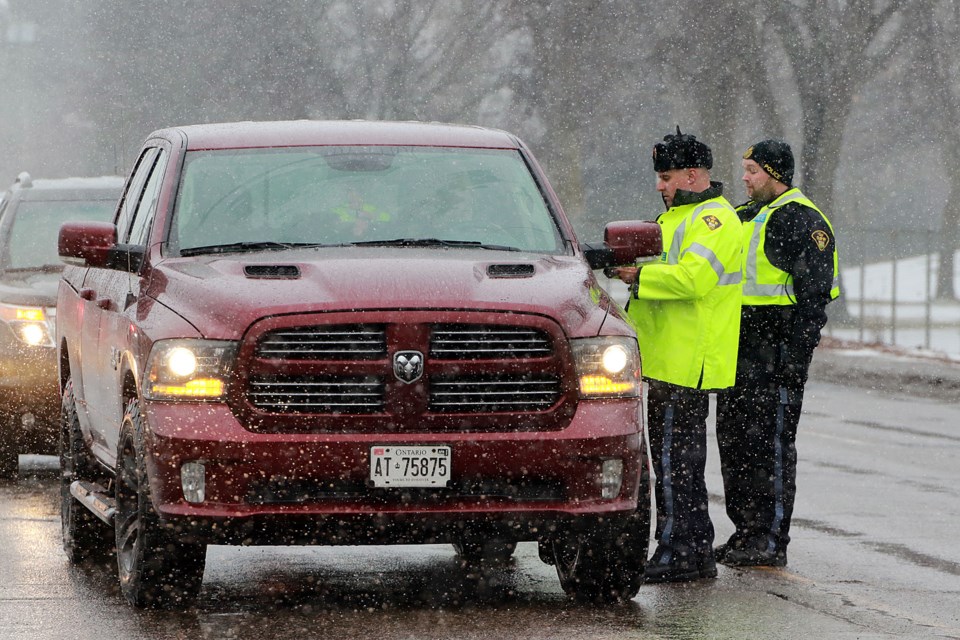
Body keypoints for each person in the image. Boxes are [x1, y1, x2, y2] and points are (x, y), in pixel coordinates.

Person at [614, 128, 743, 584]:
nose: (659, 185)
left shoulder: (714, 219)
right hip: (668, 360)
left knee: (676, 463)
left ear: (693, 174)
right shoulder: (674, 218)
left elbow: (693, 280)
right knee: (674, 462)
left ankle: (679, 550)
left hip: (688, 362)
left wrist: (637, 277)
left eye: (666, 176)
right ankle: (692, 548)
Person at [714, 139, 840, 567]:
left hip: (776, 354)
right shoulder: (743, 215)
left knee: (770, 448)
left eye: (752, 170)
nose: (745, 178)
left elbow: (813, 301)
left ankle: (770, 540)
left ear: (776, 174)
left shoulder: (806, 222)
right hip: (737, 354)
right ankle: (745, 532)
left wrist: (794, 362)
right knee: (735, 445)